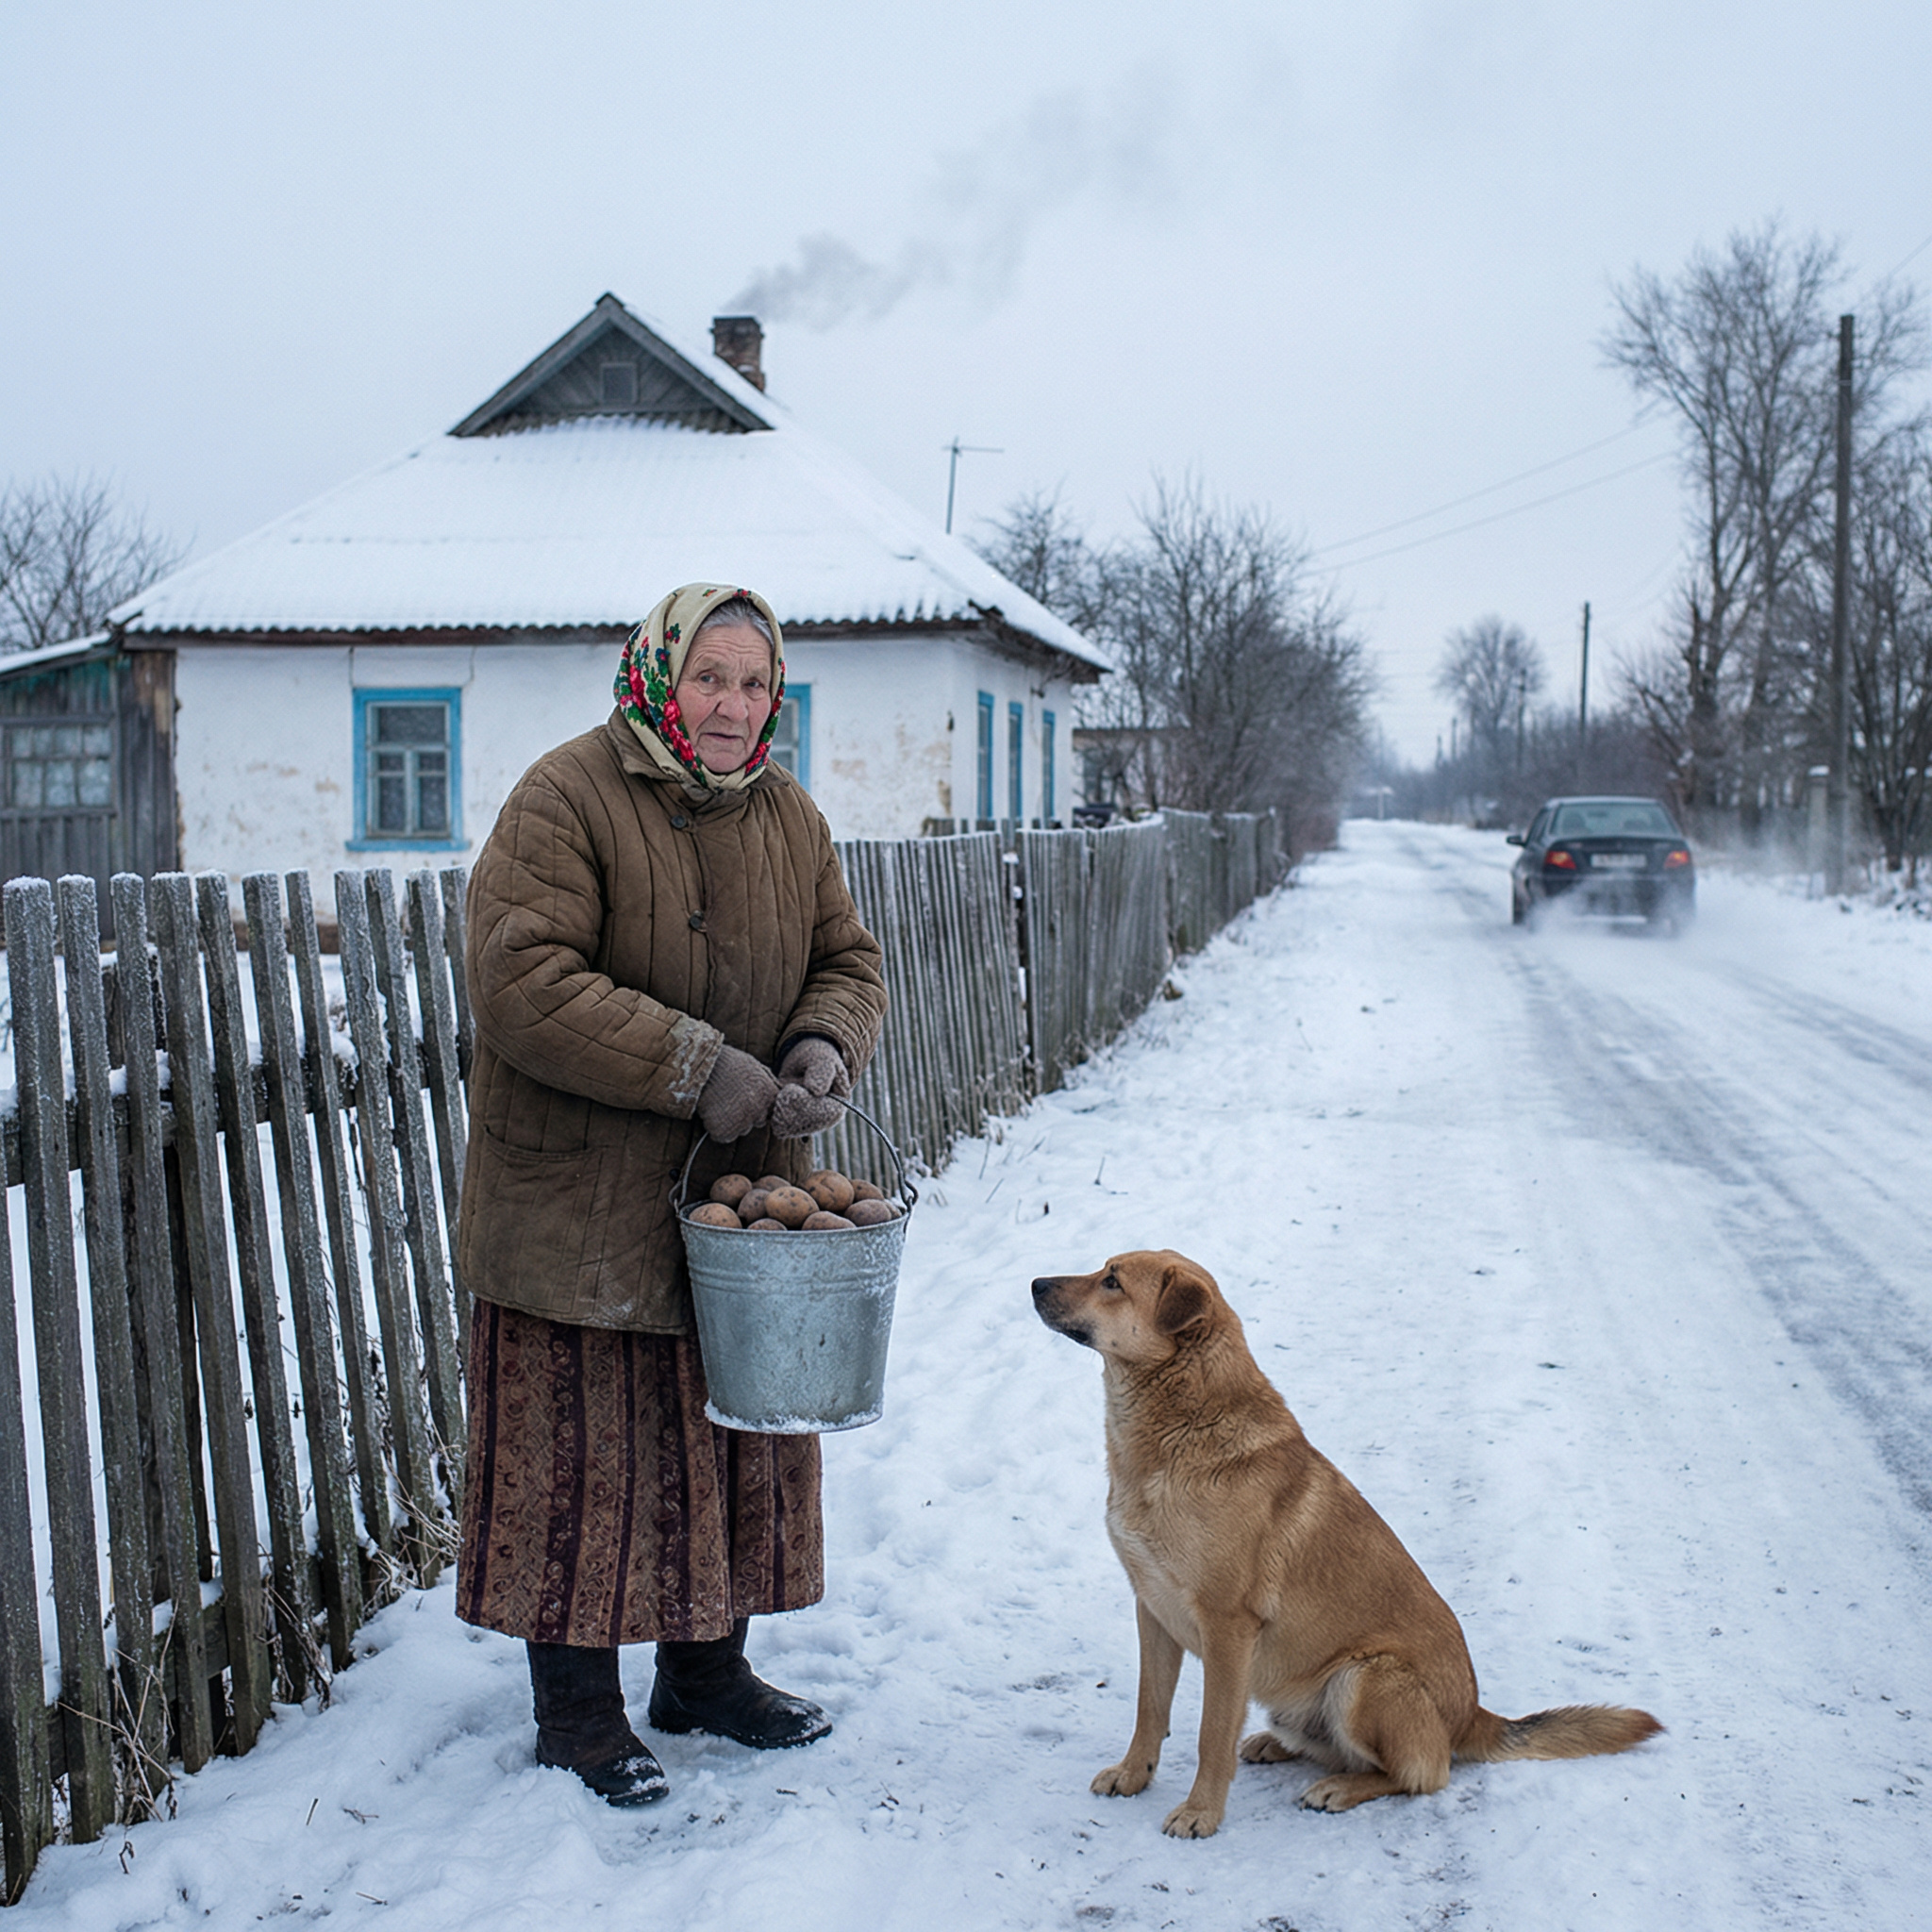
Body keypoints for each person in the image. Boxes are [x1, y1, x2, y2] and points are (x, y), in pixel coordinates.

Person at [454, 582, 887, 1806]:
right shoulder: (568, 794)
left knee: (727, 1443)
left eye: (757, 684)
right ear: (658, 676)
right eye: (713, 679)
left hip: (738, 1206)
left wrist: (819, 1045)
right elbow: (520, 979)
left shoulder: (785, 814)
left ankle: (706, 1675)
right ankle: (579, 1715)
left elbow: (846, 957)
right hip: (577, 1216)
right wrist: (695, 1066)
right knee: (584, 1460)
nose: (737, 707)